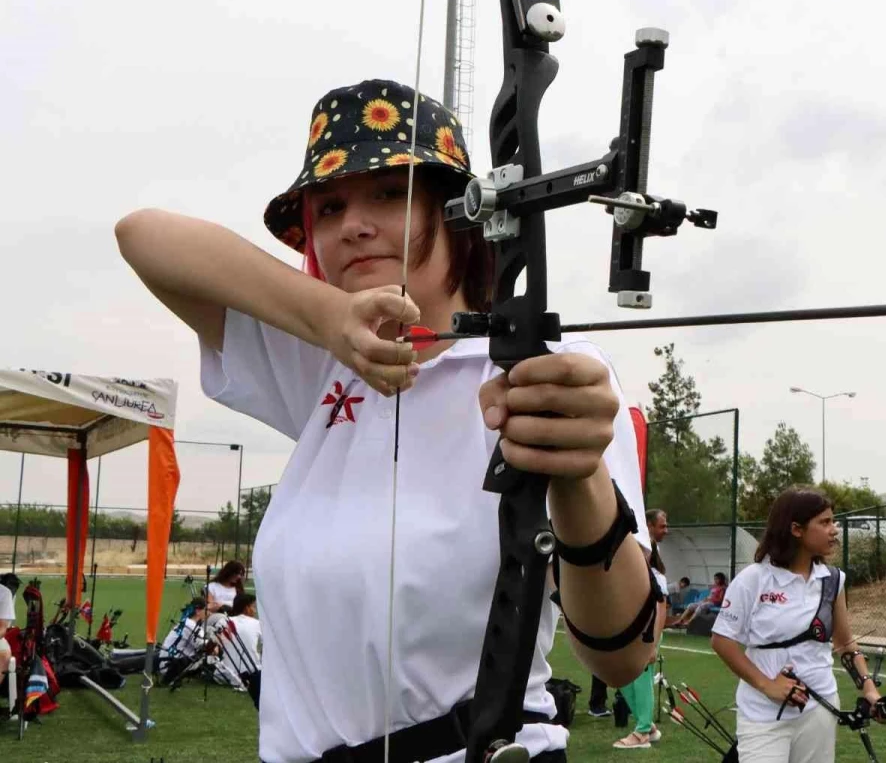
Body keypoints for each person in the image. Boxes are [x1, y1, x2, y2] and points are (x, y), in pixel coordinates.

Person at [115, 79, 660, 763]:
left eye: (389, 193)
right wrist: (330, 319)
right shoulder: (326, 363)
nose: (353, 223)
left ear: (458, 210)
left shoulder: (546, 368)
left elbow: (624, 654)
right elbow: (144, 237)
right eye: (331, 204)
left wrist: (579, 480)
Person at [711, 488, 882, 763]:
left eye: (833, 522)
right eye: (824, 523)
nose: (834, 530)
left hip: (820, 708)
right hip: (763, 713)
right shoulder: (753, 578)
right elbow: (722, 641)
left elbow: (844, 642)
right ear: (796, 529)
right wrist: (767, 686)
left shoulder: (832, 580)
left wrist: (869, 688)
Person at [612, 509, 670, 749]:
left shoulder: (656, 576)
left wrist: (653, 643)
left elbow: (661, 610)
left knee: (640, 678)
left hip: (647, 633)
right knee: (620, 677)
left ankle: (642, 731)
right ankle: (648, 726)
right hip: (627, 634)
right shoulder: (624, 575)